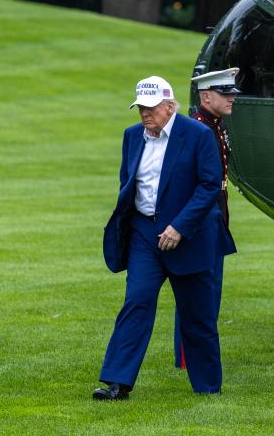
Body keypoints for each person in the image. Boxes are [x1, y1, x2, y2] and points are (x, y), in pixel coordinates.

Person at [93, 76, 235, 400]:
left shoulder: (198, 134)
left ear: (170, 106)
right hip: (145, 235)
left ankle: (207, 387)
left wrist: (179, 227)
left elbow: (209, 186)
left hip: (190, 236)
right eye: (141, 108)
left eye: (151, 107)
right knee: (136, 302)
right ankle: (117, 383)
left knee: (197, 314)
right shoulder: (132, 136)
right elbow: (128, 182)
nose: (145, 113)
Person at [173, 68, 240, 369]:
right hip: (201, 223)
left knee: (211, 291)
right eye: (224, 93)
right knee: (198, 293)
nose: (231, 98)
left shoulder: (215, 127)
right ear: (206, 97)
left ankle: (196, 355)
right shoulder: (197, 130)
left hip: (216, 219)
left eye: (231, 93)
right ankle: (189, 357)